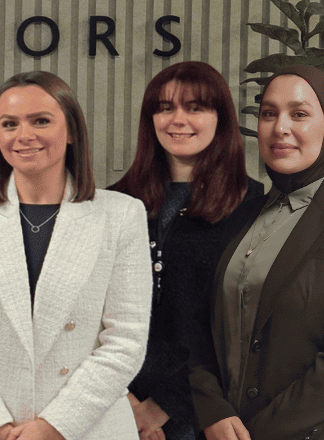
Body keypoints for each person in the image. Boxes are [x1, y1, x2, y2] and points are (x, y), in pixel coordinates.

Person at [0, 71, 151, 440]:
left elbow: (125, 340)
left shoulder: (122, 214)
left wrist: (53, 428)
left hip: (85, 427)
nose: (23, 135)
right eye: (9, 124)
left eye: (41, 121)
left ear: (73, 131)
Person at [189, 64, 324, 439]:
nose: (280, 128)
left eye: (300, 114)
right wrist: (212, 409)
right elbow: (201, 327)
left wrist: (259, 433)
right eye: (269, 113)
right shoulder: (243, 213)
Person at [107, 62, 263, 440]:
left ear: (219, 118)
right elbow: (90, 310)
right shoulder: (114, 203)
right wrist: (126, 403)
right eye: (164, 107)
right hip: (112, 402)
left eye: (195, 107)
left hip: (205, 410)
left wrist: (162, 408)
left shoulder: (253, 205)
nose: (178, 119)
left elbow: (243, 327)